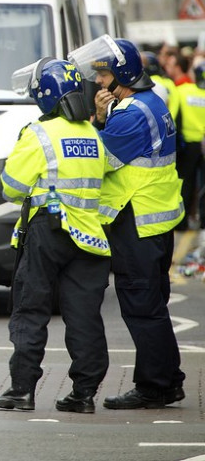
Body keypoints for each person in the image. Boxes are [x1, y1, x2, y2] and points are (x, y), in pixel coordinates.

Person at [0, 58, 112, 414]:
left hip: (48, 232)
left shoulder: (39, 133)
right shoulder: (92, 133)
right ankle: (84, 394)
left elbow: (11, 187)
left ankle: (22, 390)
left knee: (31, 309)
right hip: (90, 237)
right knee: (85, 317)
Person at [70, 35, 186, 409]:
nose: (99, 83)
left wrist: (98, 119)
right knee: (153, 304)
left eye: (103, 76)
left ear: (122, 75)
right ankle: (169, 379)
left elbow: (99, 159)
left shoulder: (133, 113)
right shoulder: (151, 100)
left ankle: (156, 386)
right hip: (153, 219)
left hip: (137, 221)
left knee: (142, 306)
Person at [174, 64, 205, 229]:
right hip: (203, 143)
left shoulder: (183, 91)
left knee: (186, 183)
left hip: (189, 145)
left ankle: (182, 222)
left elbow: (174, 115)